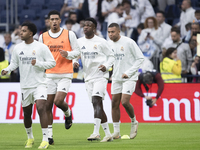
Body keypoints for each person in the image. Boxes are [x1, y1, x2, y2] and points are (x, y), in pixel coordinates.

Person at [1, 22, 56, 149]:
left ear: (31, 33)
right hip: (25, 86)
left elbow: (52, 63)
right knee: (27, 113)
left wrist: (38, 63)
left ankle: (45, 139)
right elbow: (14, 63)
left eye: (24, 31)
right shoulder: (17, 48)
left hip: (39, 84)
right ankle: (30, 138)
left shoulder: (41, 47)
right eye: (21, 30)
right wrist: (7, 70)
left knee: (41, 108)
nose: (21, 33)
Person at [39, 10, 81, 145]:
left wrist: (68, 54)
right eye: (52, 19)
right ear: (49, 21)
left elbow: (78, 52)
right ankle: (49, 136)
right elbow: (40, 57)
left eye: (57, 19)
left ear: (60, 20)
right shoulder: (43, 37)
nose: (55, 21)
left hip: (65, 73)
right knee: (47, 105)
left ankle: (68, 114)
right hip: (49, 74)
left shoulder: (69, 34)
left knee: (58, 101)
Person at [74, 18, 115, 142]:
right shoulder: (79, 42)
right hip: (88, 77)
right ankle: (108, 134)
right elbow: (75, 56)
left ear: (94, 28)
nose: (85, 27)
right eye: (84, 25)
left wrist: (106, 67)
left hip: (100, 76)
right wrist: (75, 62)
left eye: (88, 25)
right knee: (97, 105)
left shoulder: (101, 42)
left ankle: (96, 133)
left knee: (96, 101)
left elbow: (112, 56)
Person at [107, 23, 144, 139]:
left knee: (124, 102)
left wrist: (129, 72)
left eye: (112, 32)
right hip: (116, 77)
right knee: (114, 103)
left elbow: (140, 58)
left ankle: (134, 121)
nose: (110, 34)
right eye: (108, 32)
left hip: (129, 77)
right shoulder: (108, 44)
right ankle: (116, 132)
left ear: (119, 32)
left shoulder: (129, 42)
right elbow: (108, 59)